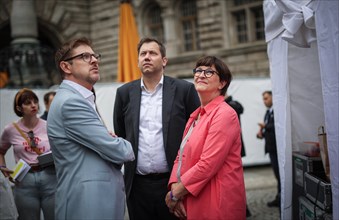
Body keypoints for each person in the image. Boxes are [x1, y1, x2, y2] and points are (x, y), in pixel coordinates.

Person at [48, 37, 135, 220]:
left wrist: (108, 141)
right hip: (87, 204)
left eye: (95, 56)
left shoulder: (77, 99)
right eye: (85, 56)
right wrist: (120, 143)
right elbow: (120, 151)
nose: (95, 60)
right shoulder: (71, 102)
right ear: (66, 67)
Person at [113, 37, 200, 220]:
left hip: (173, 184)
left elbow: (196, 135)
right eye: (143, 54)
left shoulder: (184, 90)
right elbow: (121, 133)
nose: (147, 57)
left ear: (164, 60)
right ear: (137, 61)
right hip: (137, 187)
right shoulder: (124, 94)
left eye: (152, 53)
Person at [165, 56, 246, 220]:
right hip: (193, 195)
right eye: (198, 70)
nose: (201, 75)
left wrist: (175, 194)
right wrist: (174, 187)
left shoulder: (224, 114)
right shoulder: (195, 116)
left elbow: (208, 164)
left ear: (222, 83)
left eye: (209, 72)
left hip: (217, 200)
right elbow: (180, 156)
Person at [0, 88, 56, 220]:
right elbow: (1, 151)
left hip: (50, 176)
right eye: (28, 102)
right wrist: (2, 167)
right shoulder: (10, 130)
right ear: (19, 108)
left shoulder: (50, 125)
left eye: (35, 101)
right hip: (25, 179)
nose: (33, 105)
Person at [225, 94, 252, 217]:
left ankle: (243, 208)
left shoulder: (232, 104)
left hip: (234, 149)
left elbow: (240, 108)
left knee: (236, 181)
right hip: (227, 150)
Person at [256, 90, 280, 208]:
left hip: (277, 149)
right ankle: (279, 196)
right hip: (271, 149)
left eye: (266, 98)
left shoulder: (277, 111)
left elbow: (278, 126)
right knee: (277, 175)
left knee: (280, 175)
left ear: (272, 98)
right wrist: (261, 134)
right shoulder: (267, 113)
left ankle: (280, 198)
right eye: (263, 99)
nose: (264, 101)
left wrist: (265, 126)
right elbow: (269, 130)